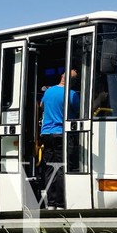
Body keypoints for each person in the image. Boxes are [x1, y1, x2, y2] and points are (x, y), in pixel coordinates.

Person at [39, 68, 79, 210]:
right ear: (74, 82)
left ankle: (51, 204)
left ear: (62, 77)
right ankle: (61, 204)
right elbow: (81, 112)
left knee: (50, 168)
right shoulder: (72, 94)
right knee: (62, 168)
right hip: (61, 135)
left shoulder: (48, 92)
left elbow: (42, 106)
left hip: (46, 134)